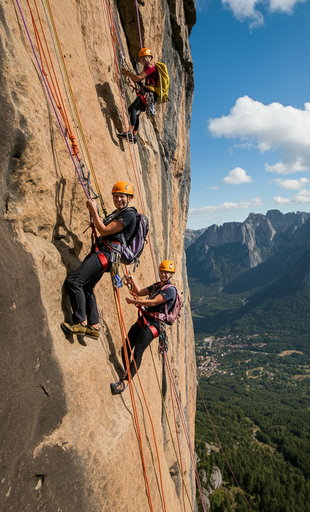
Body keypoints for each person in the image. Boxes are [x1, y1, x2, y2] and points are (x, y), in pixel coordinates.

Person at [61, 181, 137, 339]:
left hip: (105, 255)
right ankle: (93, 326)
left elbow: (103, 230)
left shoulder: (128, 214)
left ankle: (80, 322)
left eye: (122, 196)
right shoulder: (117, 214)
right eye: (116, 196)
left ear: (129, 198)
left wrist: (93, 210)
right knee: (87, 287)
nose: (118, 199)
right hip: (105, 255)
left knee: (74, 281)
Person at [110, 260, 177, 394]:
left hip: (155, 324)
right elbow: (140, 291)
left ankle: (124, 383)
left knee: (138, 351)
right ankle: (127, 372)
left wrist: (134, 301)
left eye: (167, 273)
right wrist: (132, 280)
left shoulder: (170, 290)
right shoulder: (157, 285)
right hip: (145, 319)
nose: (164, 274)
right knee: (127, 346)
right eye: (162, 271)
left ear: (171, 275)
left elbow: (153, 302)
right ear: (159, 271)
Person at [117, 48, 158, 144]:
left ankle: (130, 133)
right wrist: (132, 76)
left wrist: (128, 74)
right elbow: (140, 81)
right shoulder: (151, 69)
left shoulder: (150, 68)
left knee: (132, 109)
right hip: (150, 94)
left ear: (150, 58)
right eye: (141, 58)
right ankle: (134, 136)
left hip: (148, 94)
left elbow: (138, 77)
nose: (143, 60)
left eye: (145, 57)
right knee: (137, 113)